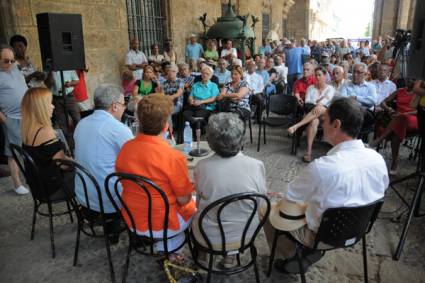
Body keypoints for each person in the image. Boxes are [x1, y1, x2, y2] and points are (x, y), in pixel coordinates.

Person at [262, 97, 388, 274]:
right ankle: (303, 253)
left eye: (324, 120)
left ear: (336, 124)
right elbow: (379, 193)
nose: (321, 124)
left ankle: (290, 258)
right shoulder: (378, 159)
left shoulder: (323, 167)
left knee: (266, 208)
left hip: (322, 235)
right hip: (358, 230)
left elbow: (291, 196)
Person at [116, 93, 196, 254]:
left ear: (139, 122)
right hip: (164, 223)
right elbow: (184, 199)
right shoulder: (173, 157)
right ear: (166, 125)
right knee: (200, 200)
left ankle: (165, 247)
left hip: (132, 218)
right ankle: (173, 252)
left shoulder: (125, 148)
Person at [192, 112, 267, 267]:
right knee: (240, 211)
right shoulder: (256, 165)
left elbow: (199, 205)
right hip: (245, 234)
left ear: (211, 141)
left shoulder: (202, 166)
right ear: (241, 138)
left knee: (197, 210)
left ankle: (203, 254)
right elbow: (260, 202)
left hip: (209, 235)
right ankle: (231, 256)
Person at [74, 84, 133, 242]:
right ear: (114, 106)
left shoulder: (81, 123)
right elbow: (139, 160)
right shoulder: (117, 128)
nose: (124, 108)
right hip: (106, 201)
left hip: (83, 196)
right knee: (148, 182)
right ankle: (142, 235)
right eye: (123, 104)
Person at [21, 87, 72, 197]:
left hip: (37, 187)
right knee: (91, 180)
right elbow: (64, 165)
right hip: (52, 188)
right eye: (50, 103)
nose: (53, 106)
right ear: (40, 108)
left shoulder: (27, 128)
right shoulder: (45, 132)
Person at [369, 79, 417, 174]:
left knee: (401, 117)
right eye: (408, 78)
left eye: (413, 79)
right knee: (396, 134)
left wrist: (405, 113)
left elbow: (419, 111)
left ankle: (378, 141)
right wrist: (389, 109)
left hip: (412, 118)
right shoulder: (400, 90)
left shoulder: (419, 94)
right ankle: (395, 162)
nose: (409, 81)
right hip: (397, 119)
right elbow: (383, 102)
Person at [288, 67, 335, 162]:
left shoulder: (330, 88)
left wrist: (319, 103)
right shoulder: (311, 88)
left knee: (322, 108)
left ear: (325, 76)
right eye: (316, 75)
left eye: (320, 75)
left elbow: (327, 100)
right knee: (314, 121)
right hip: (313, 115)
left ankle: (297, 126)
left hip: (325, 117)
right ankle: (308, 152)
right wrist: (319, 102)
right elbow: (308, 102)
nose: (317, 77)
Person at [0, 45, 29, 194]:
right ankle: (17, 184)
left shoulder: (15, 67)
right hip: (12, 119)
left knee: (32, 147)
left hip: (28, 115)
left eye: (12, 60)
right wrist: (4, 120)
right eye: (6, 61)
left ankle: (30, 178)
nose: (10, 64)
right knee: (13, 153)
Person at [46, 70, 80, 148]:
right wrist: (51, 72)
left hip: (69, 97)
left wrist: (70, 84)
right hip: (57, 99)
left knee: (77, 119)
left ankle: (79, 139)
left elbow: (77, 81)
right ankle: (70, 145)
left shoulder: (68, 68)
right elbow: (48, 84)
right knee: (62, 123)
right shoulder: (49, 70)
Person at [340, 62, 377, 131]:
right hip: (348, 111)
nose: (354, 74)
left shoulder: (371, 86)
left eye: (358, 72)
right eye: (353, 71)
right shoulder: (346, 85)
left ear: (365, 74)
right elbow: (343, 99)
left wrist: (356, 98)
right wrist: (362, 101)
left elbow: (372, 101)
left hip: (366, 113)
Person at [183, 65, 219, 133]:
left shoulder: (213, 86)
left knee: (197, 115)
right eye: (203, 73)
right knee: (184, 114)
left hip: (206, 107)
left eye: (207, 74)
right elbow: (191, 96)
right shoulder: (196, 84)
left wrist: (201, 101)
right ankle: (181, 139)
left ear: (211, 76)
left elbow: (213, 98)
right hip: (193, 105)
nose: (205, 75)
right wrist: (190, 100)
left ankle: (197, 135)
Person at [161, 64, 184, 128]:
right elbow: (162, 95)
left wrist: (169, 97)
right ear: (167, 72)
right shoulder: (164, 83)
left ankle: (170, 132)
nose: (171, 73)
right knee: (156, 111)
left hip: (176, 104)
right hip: (165, 103)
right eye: (169, 71)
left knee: (166, 112)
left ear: (177, 72)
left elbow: (178, 94)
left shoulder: (180, 81)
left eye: (173, 71)